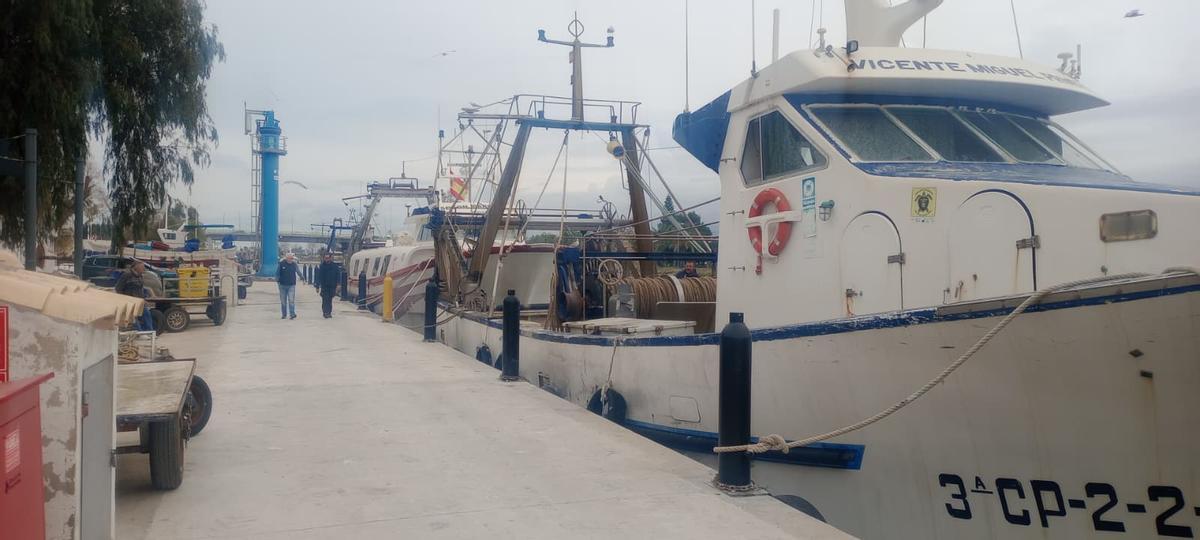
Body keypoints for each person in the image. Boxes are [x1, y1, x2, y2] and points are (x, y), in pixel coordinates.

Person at [114, 260, 154, 331]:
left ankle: (150, 332)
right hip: (130, 301)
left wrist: (144, 299)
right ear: (136, 267)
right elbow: (118, 288)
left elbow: (140, 289)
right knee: (134, 318)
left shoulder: (140, 276)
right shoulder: (127, 275)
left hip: (140, 301)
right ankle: (140, 333)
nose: (144, 269)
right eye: (142, 267)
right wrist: (124, 299)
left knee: (147, 314)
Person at [317, 253, 340, 318]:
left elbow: (338, 275)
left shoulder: (335, 266)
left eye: (328, 258)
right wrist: (317, 286)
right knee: (325, 300)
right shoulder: (322, 266)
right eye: (325, 258)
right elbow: (319, 276)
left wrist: (338, 284)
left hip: (332, 286)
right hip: (324, 286)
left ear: (330, 258)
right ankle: (325, 312)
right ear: (324, 258)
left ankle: (329, 312)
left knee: (330, 300)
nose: (326, 259)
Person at [277, 252, 299, 319]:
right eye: (290, 258)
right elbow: (277, 273)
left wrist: (302, 277)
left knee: (291, 300)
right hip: (282, 285)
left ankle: (292, 314)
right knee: (283, 301)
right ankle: (284, 314)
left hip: (291, 285)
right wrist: (277, 280)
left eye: (292, 258)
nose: (291, 260)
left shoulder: (294, 264)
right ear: (286, 258)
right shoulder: (281, 264)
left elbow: (298, 271)